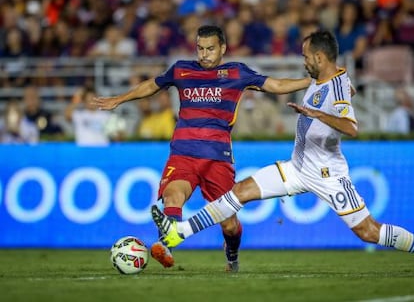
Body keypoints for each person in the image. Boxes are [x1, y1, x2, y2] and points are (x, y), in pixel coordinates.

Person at [151, 30, 414, 256]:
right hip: (297, 169)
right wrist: (344, 90)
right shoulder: (323, 80)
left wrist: (318, 113)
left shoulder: (335, 88)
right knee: (239, 192)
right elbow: (346, 87)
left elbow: (351, 127)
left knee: (368, 232)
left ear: (319, 57)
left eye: (306, 56)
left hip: (327, 174)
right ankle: (180, 231)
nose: (304, 61)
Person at [91, 25, 311, 271]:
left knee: (229, 225)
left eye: (210, 49)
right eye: (200, 48)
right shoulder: (182, 69)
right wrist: (119, 99)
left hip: (218, 159)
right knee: (173, 195)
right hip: (183, 153)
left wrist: (312, 81)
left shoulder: (237, 73)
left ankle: (232, 256)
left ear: (223, 49)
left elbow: (277, 85)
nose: (204, 54)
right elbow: (153, 85)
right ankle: (167, 245)